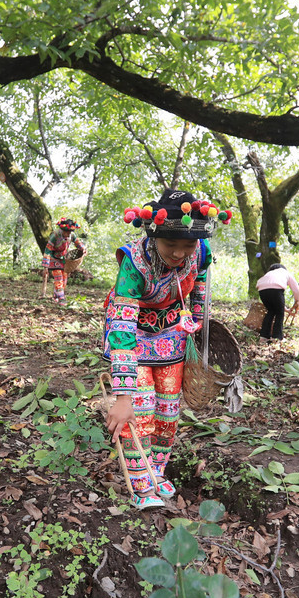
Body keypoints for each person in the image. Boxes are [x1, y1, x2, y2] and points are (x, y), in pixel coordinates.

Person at [102, 190, 232, 509]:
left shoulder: (200, 253)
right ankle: (140, 482)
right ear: (154, 235)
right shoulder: (134, 262)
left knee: (169, 410)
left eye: (186, 246)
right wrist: (122, 397)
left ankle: (156, 471)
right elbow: (122, 325)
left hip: (172, 334)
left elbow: (200, 291)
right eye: (169, 245)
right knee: (140, 407)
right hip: (133, 335)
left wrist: (200, 331)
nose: (178, 253)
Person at [41, 217, 87, 306]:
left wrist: (83, 249)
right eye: (66, 232)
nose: (68, 234)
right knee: (58, 278)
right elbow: (47, 249)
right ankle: (62, 298)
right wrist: (45, 266)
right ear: (62, 230)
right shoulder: (55, 235)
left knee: (64, 279)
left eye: (69, 232)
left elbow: (78, 243)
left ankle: (56, 296)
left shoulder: (72, 235)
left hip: (64, 259)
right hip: (54, 258)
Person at [255, 263, 299, 342]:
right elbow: (296, 290)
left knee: (271, 311)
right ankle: (277, 337)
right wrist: (297, 301)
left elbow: (276, 303)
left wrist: (285, 309)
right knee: (279, 314)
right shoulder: (285, 272)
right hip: (276, 289)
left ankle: (263, 336)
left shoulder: (269, 273)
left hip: (262, 290)